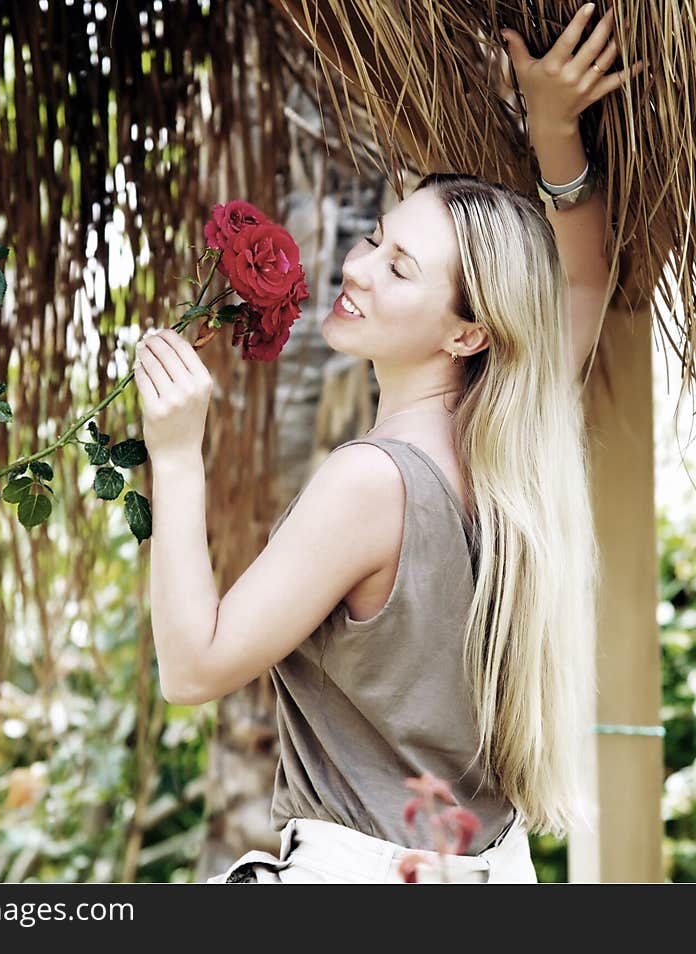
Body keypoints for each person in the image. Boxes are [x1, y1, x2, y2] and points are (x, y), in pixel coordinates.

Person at [132, 5, 643, 884]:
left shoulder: (372, 484)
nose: (357, 268)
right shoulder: (513, 458)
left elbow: (193, 667)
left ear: (466, 334)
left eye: (400, 268)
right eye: (375, 237)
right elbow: (584, 271)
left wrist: (178, 456)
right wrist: (556, 130)